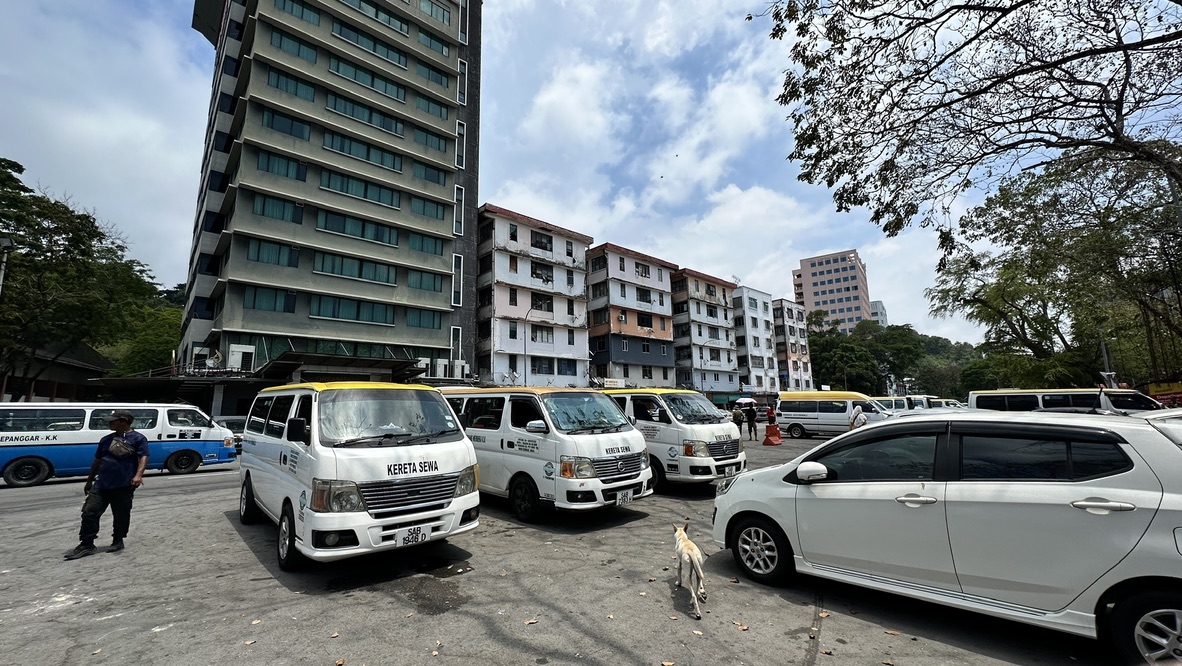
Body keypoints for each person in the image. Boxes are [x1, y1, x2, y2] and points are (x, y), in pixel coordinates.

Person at [64, 410, 150, 560]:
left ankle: (118, 540)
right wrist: (89, 480)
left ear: (124, 421)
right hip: (102, 484)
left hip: (123, 484)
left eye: (113, 420)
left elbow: (143, 456)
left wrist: (138, 475)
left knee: (121, 514)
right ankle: (87, 544)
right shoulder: (106, 440)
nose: (109, 423)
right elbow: (98, 460)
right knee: (89, 512)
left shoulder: (138, 438)